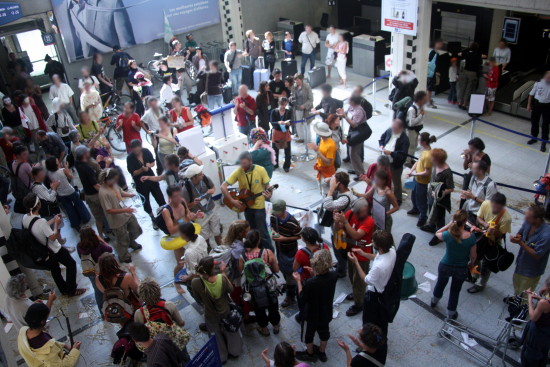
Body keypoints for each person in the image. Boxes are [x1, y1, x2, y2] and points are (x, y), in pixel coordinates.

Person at [22, 193, 86, 296]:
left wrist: (52, 220)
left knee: (55, 270)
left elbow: (38, 228)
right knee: (71, 264)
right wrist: (56, 223)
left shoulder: (25, 218)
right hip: (54, 249)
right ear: (38, 205)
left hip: (43, 250)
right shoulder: (41, 221)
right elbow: (53, 236)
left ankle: (63, 289)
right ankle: (71, 290)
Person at [191, 256, 243, 364]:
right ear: (212, 268)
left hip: (210, 314)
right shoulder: (221, 278)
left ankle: (222, 355)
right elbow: (230, 289)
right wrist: (223, 272)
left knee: (215, 334)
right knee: (230, 331)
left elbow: (198, 299)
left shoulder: (195, 283)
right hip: (225, 311)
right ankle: (235, 350)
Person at [431, 210, 477, 320]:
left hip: (446, 265)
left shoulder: (448, 234)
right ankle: (451, 313)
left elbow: (437, 233)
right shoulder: (471, 237)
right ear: (465, 221)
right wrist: (471, 264)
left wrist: (448, 224)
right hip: (461, 268)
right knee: (455, 291)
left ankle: (434, 301)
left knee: (440, 284)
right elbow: (474, 256)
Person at [222, 151, 273, 250]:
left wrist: (269, 194)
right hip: (246, 206)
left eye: (244, 163)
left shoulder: (260, 170)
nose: (242, 166)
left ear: (251, 161)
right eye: (241, 163)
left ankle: (269, 252)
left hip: (259, 206)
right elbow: (223, 186)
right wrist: (232, 201)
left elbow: (268, 186)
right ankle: (256, 250)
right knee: (251, 231)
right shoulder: (239, 171)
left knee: (262, 231)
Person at [293, 250, 337, 363]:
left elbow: (302, 298)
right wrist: (315, 274)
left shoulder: (311, 283)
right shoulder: (334, 275)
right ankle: (322, 353)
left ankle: (310, 353)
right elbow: (323, 283)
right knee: (324, 332)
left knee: (309, 334)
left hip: (312, 313)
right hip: (326, 311)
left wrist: (298, 281)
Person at [348, 230, 395, 334]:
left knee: (368, 320)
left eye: (374, 242)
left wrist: (356, 262)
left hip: (375, 295)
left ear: (380, 247)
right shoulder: (391, 250)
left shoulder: (378, 267)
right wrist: (364, 254)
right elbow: (377, 257)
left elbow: (366, 279)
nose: (372, 243)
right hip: (384, 286)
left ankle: (367, 337)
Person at [334, 198, 375, 317]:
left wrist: (345, 223)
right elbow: (338, 228)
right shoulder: (351, 213)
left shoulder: (369, 221)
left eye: (358, 212)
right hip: (351, 252)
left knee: (360, 282)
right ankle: (357, 294)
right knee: (352, 277)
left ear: (365, 210)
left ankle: (359, 304)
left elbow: (356, 236)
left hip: (362, 256)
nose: (356, 215)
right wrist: (337, 221)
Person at [467, 193, 512, 293]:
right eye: (493, 206)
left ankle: (480, 284)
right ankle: (474, 275)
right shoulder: (486, 204)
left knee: (487, 265)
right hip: (480, 237)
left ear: (502, 206)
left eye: (498, 208)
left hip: (492, 242)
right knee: (474, 257)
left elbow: (502, 235)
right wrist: (486, 225)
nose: (494, 209)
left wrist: (495, 231)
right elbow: (479, 218)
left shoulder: (506, 218)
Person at [238, 230, 281, 336]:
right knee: (273, 306)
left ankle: (264, 328)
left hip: (253, 288)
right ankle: (276, 325)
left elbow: (241, 272)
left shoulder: (242, 256)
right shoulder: (267, 253)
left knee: (259, 309)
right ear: (258, 241)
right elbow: (276, 269)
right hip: (269, 286)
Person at [98, 168, 143, 263]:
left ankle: (131, 242)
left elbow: (121, 192)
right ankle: (123, 256)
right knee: (122, 239)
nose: (116, 181)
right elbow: (109, 210)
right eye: (114, 179)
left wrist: (130, 195)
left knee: (136, 229)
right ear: (108, 179)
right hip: (116, 220)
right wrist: (125, 209)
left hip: (125, 213)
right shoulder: (103, 192)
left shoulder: (113, 184)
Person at [322, 172, 356, 277]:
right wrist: (329, 181)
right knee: (337, 249)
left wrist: (332, 189)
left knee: (340, 250)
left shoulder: (345, 198)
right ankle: (341, 264)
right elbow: (324, 186)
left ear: (339, 185)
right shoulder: (343, 189)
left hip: (342, 230)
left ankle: (341, 271)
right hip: (337, 227)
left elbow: (327, 204)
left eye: (334, 182)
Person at [510, 205, 550, 295]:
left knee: (526, 294)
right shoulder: (528, 222)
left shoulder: (546, 235)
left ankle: (523, 307)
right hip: (521, 263)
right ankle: (516, 300)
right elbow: (520, 232)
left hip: (532, 270)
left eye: (528, 217)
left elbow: (537, 255)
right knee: (517, 284)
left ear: (538, 219)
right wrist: (517, 237)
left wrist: (520, 243)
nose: (525, 218)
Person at [126, 139, 166, 228]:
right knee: (146, 202)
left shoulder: (146, 151)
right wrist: (141, 170)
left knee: (160, 197)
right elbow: (133, 172)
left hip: (151, 178)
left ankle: (166, 214)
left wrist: (149, 165)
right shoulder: (130, 158)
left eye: (137, 148)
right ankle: (153, 219)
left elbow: (153, 162)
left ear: (140, 146)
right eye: (134, 149)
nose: (136, 151)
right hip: (140, 183)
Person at [271, 200, 302, 307]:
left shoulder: (293, 223)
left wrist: (285, 238)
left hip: (290, 251)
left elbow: (299, 236)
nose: (276, 215)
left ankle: (291, 295)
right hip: (280, 249)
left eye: (278, 212)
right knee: (284, 270)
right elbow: (272, 227)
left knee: (290, 272)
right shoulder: (273, 217)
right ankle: (290, 284)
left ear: (284, 210)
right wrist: (273, 233)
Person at [45, 156, 91, 229]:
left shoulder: (49, 173)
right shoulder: (62, 170)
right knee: (79, 204)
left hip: (60, 194)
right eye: (57, 161)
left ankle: (75, 223)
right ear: (55, 164)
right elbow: (71, 177)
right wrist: (66, 167)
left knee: (69, 209)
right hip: (70, 191)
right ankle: (85, 218)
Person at [181, 164, 221, 248]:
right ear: (193, 177)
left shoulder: (205, 178)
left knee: (217, 231)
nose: (202, 174)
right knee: (204, 236)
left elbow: (213, 187)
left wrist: (212, 191)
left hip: (212, 208)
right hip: (200, 215)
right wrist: (192, 203)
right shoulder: (186, 189)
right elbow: (185, 207)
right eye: (200, 174)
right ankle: (208, 252)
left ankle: (221, 248)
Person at [421, 148, 455, 246]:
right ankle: (431, 226)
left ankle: (439, 235)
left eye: (432, 157)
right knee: (431, 210)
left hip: (440, 199)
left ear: (437, 159)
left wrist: (439, 193)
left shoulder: (447, 172)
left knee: (439, 216)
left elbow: (451, 188)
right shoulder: (435, 166)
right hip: (432, 195)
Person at [74, 146, 109, 238]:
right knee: (104, 213)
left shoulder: (77, 163)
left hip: (87, 194)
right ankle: (105, 231)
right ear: (85, 154)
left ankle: (101, 235)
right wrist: (107, 192)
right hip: (95, 195)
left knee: (98, 217)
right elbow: (95, 185)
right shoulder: (87, 168)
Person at [77, 227, 113, 313]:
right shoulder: (98, 246)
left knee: (97, 290)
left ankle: (102, 311)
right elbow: (110, 249)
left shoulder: (79, 246)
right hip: (102, 270)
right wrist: (102, 240)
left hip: (90, 271)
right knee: (109, 286)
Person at [406, 132, 436, 227]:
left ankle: (423, 216)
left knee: (421, 199)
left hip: (421, 181)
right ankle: (415, 209)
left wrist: (414, 174)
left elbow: (427, 172)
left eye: (419, 140)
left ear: (423, 142)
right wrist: (411, 171)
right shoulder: (424, 150)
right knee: (414, 196)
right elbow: (418, 161)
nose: (417, 141)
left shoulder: (428, 156)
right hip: (416, 178)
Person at [379, 119, 410, 204]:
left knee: (396, 182)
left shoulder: (404, 140)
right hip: (384, 160)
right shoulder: (390, 130)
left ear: (401, 128)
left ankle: (398, 199)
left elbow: (402, 156)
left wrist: (391, 153)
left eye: (395, 128)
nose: (392, 129)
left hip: (394, 164)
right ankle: (383, 193)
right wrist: (381, 145)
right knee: (383, 178)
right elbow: (382, 138)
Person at [521, 280, 550, 367]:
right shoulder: (545, 302)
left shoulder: (543, 303)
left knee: (531, 356)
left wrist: (530, 299)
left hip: (537, 333)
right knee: (543, 353)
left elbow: (533, 317)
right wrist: (539, 298)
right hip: (547, 333)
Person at [337, 96, 368, 177]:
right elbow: (346, 113)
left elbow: (354, 124)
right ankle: (356, 170)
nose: (348, 101)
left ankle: (361, 174)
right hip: (352, 132)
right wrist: (342, 112)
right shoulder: (352, 107)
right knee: (352, 153)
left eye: (349, 100)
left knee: (354, 153)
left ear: (354, 102)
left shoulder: (359, 111)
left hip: (358, 133)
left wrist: (345, 116)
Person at [527, 71, 550, 152]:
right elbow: (531, 94)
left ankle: (544, 141)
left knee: (545, 124)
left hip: (547, 105)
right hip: (537, 104)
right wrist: (529, 105)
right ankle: (534, 137)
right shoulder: (539, 83)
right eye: (547, 76)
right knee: (534, 121)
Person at [458, 42, 485, 110]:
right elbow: (482, 60)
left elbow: (459, 54)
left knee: (462, 87)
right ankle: (464, 104)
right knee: (468, 89)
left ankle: (459, 102)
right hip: (472, 73)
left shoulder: (467, 53)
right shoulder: (478, 54)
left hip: (465, 71)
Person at [405, 91, 428, 166]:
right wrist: (421, 116)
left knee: (414, 145)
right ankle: (407, 161)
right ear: (419, 99)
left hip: (416, 130)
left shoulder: (420, 107)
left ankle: (411, 158)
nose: (426, 100)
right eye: (424, 99)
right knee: (410, 145)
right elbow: (411, 123)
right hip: (411, 131)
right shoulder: (412, 109)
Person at [270, 97, 293, 172]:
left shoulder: (288, 111)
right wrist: (278, 122)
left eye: (285, 105)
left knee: (287, 151)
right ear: (279, 104)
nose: (283, 106)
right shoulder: (274, 111)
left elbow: (291, 121)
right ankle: (275, 164)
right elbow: (272, 122)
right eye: (282, 105)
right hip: (276, 132)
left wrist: (289, 123)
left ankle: (286, 166)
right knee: (275, 150)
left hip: (285, 132)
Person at [292, 74, 314, 143]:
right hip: (297, 108)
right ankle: (301, 138)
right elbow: (292, 95)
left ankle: (308, 140)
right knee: (298, 124)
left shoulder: (307, 87)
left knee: (307, 124)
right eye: (295, 80)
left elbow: (311, 99)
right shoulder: (294, 87)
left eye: (297, 80)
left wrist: (304, 105)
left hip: (306, 109)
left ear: (301, 79)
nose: (296, 81)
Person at [12, 145, 32, 213]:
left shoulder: (13, 163)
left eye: (27, 153)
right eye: (24, 154)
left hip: (21, 190)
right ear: (18, 155)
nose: (27, 155)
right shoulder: (25, 165)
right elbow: (34, 177)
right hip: (29, 189)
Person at [426, 39, 443, 109]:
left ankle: (428, 100)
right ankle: (428, 101)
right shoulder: (433, 52)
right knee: (429, 88)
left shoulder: (435, 52)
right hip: (431, 73)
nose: (441, 45)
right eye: (439, 43)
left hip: (431, 73)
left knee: (429, 88)